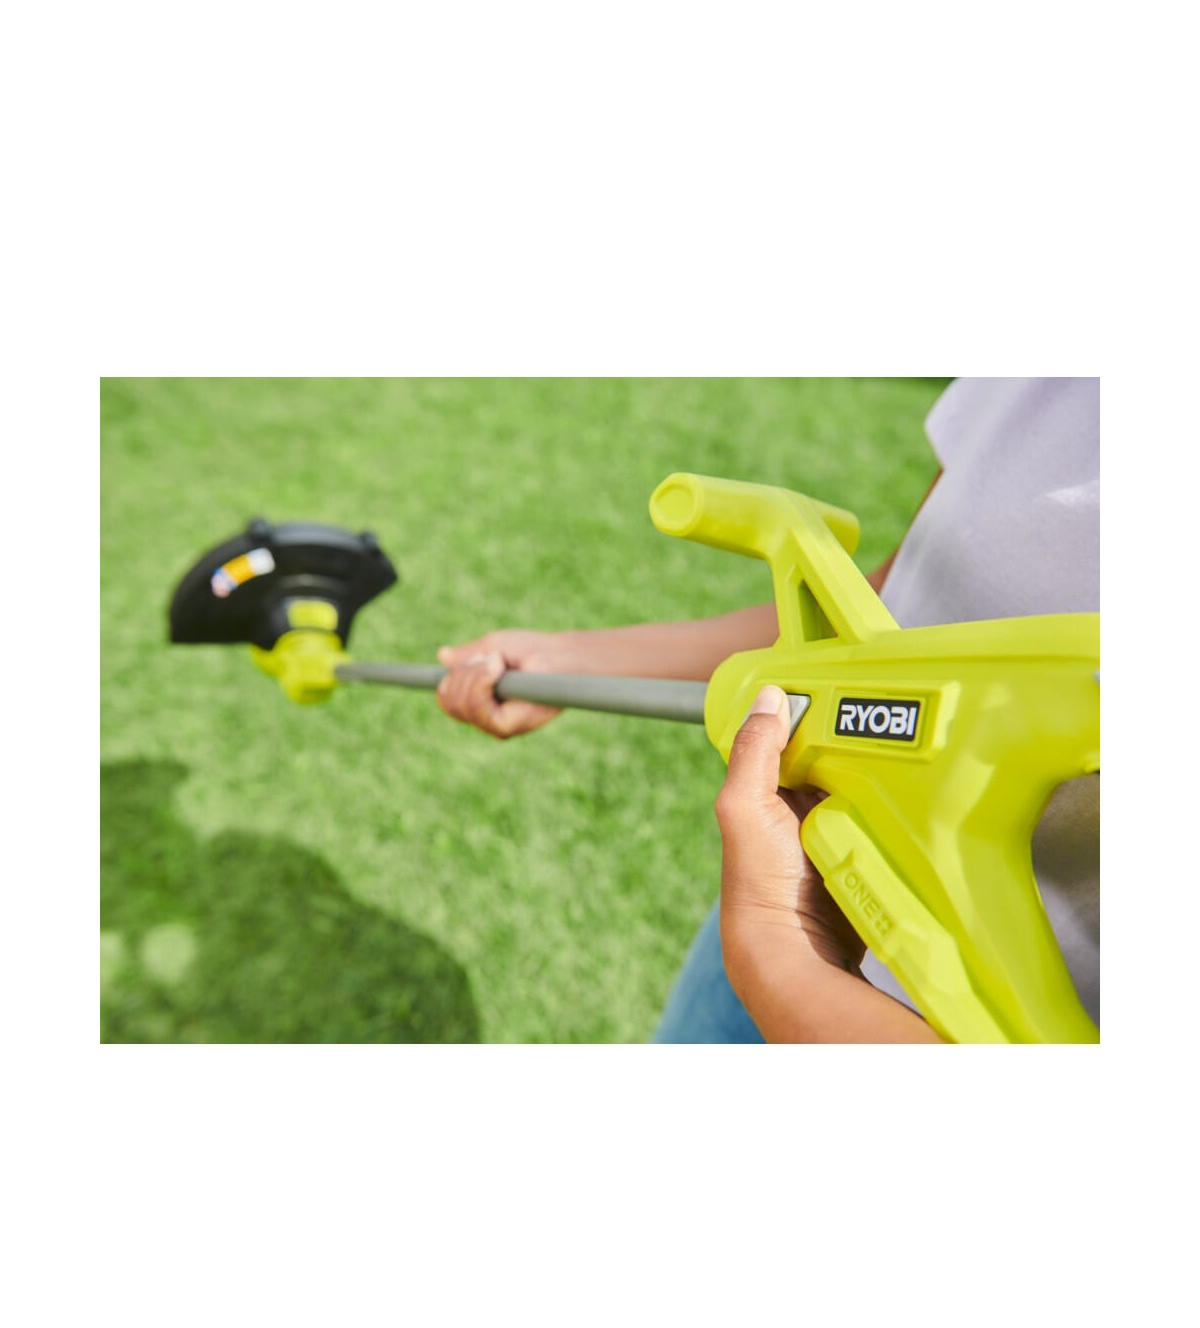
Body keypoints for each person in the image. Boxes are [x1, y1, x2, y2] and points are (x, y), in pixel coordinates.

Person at [435, 378, 1100, 1043]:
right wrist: (575, 660)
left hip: (902, 987)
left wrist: (778, 959)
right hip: (803, 873)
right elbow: (888, 608)